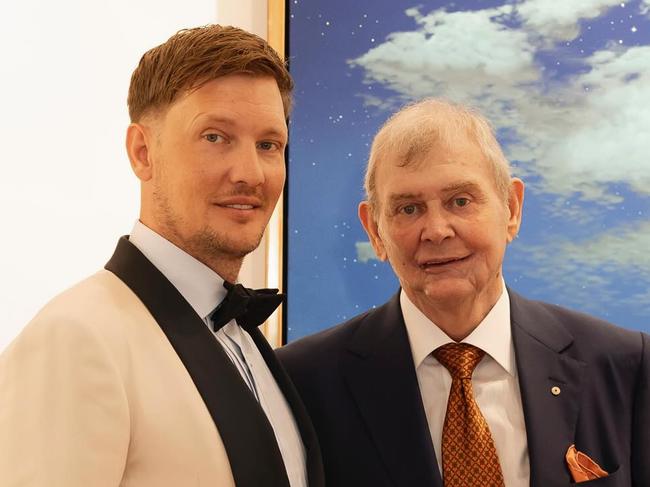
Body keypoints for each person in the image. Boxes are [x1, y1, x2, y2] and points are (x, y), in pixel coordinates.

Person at [0, 25, 323, 487]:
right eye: (216, 137)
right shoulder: (74, 339)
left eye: (268, 145)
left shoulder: (249, 343)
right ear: (142, 152)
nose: (250, 173)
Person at [278, 99, 649, 487]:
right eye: (408, 209)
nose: (437, 229)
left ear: (512, 208)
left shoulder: (625, 366)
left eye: (460, 201)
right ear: (374, 231)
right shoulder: (303, 384)